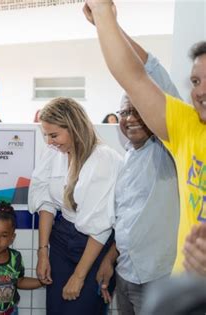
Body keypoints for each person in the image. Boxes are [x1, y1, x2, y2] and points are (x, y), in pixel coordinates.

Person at [84, 0, 205, 276]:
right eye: (196, 82)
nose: (200, 91)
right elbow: (135, 77)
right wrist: (104, 17)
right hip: (186, 294)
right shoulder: (188, 126)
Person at [88, 18, 181, 313]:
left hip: (158, 279)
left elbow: (154, 77)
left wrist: (108, 25)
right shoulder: (128, 157)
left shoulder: (166, 153)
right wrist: (110, 258)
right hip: (126, 275)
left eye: (139, 109)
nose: (131, 118)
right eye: (125, 112)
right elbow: (129, 222)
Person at [28, 97, 123, 314]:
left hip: (94, 246)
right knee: (56, 309)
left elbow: (100, 227)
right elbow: (46, 202)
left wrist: (79, 277)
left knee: (81, 308)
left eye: (54, 135)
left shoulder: (103, 160)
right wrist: (43, 252)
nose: (49, 142)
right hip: (62, 239)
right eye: (46, 135)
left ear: (73, 128)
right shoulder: (55, 152)